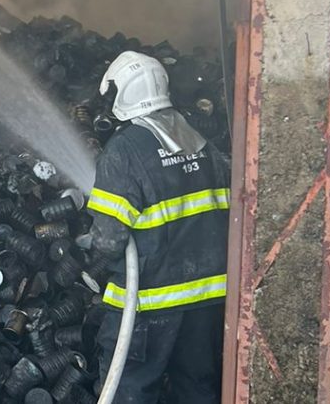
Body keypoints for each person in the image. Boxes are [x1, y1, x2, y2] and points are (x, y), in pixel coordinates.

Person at [86, 51, 230, 404]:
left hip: (149, 302)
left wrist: (90, 255)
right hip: (207, 300)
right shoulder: (200, 143)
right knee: (197, 389)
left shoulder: (124, 151)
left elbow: (109, 239)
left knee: (129, 390)